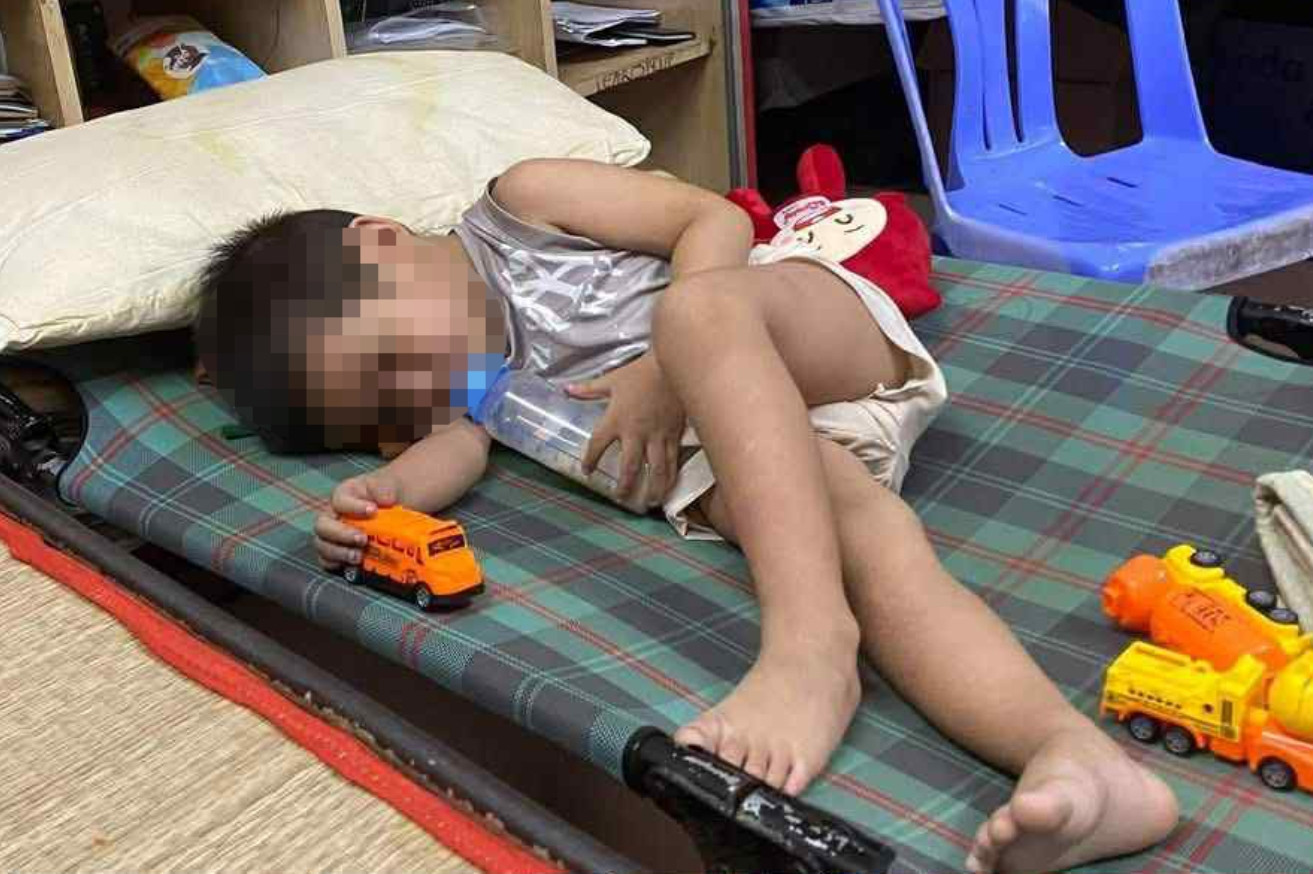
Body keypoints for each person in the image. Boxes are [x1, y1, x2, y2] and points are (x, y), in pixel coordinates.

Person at [194, 158, 1178, 874]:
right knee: (873, 546)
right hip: (754, 450)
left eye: (388, 362)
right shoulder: (471, 396)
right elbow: (453, 445)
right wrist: (383, 499)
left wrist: (667, 363)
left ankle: (806, 652)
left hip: (798, 333)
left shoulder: (520, 207)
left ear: (379, 243)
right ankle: (1074, 760)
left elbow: (710, 222)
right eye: (383, 411)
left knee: (696, 314)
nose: (417, 393)